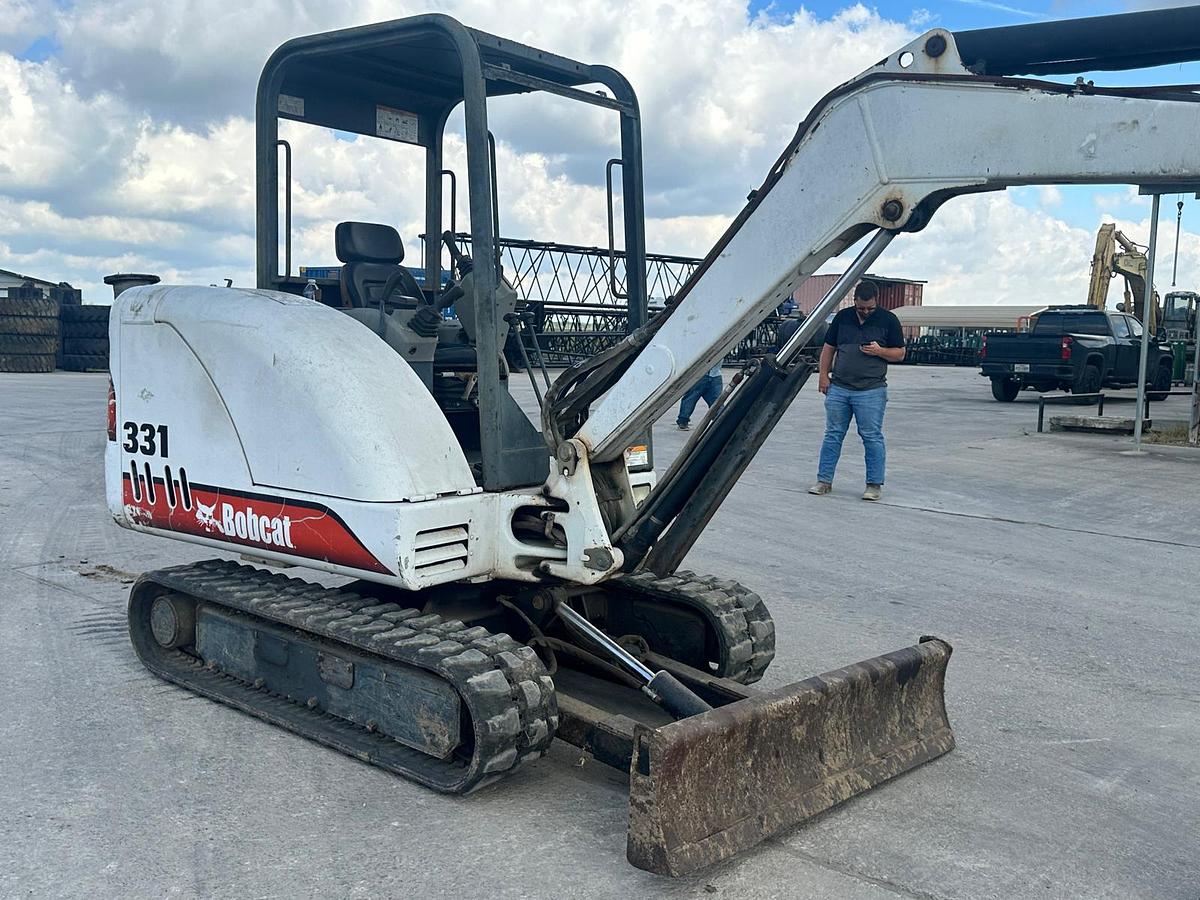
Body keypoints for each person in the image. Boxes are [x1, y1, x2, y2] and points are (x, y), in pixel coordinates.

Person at [808, 280, 905, 501]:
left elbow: (900, 354)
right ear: (855, 301)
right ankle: (824, 481)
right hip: (840, 388)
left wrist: (880, 351)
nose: (866, 312)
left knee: (871, 436)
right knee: (833, 435)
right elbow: (828, 349)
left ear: (876, 301)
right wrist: (823, 376)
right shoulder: (843, 318)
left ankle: (873, 485)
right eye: (861, 308)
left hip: (871, 390)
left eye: (870, 308)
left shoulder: (888, 320)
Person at [676, 362, 723, 430]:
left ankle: (683, 421)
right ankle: (683, 421)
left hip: (712, 374)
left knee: (691, 398)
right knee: (691, 398)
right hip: (706, 374)